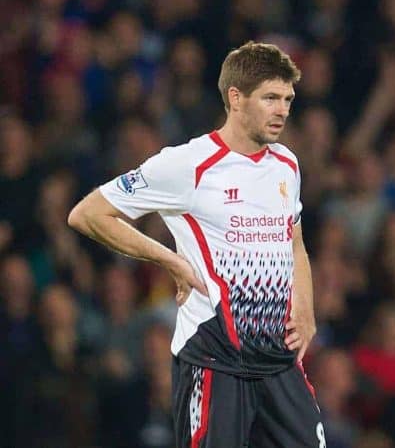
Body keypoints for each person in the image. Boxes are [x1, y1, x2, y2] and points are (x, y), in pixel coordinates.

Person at [68, 41, 324, 448]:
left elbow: (292, 239)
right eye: (271, 98)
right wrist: (169, 260)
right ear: (236, 99)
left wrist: (306, 309)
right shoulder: (187, 164)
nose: (283, 110)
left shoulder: (286, 163)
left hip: (277, 363)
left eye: (288, 99)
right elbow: (88, 214)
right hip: (213, 361)